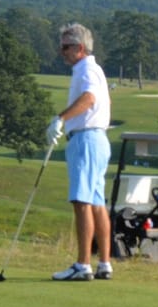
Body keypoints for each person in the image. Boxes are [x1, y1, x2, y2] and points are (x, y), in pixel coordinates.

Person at [46, 22, 113, 281]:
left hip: (86, 139)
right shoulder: (91, 69)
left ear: (80, 48)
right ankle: (104, 263)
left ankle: (83, 264)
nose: (62, 51)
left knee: (82, 201)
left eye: (66, 47)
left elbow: (89, 99)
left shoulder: (86, 69)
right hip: (96, 139)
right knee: (96, 203)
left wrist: (60, 119)